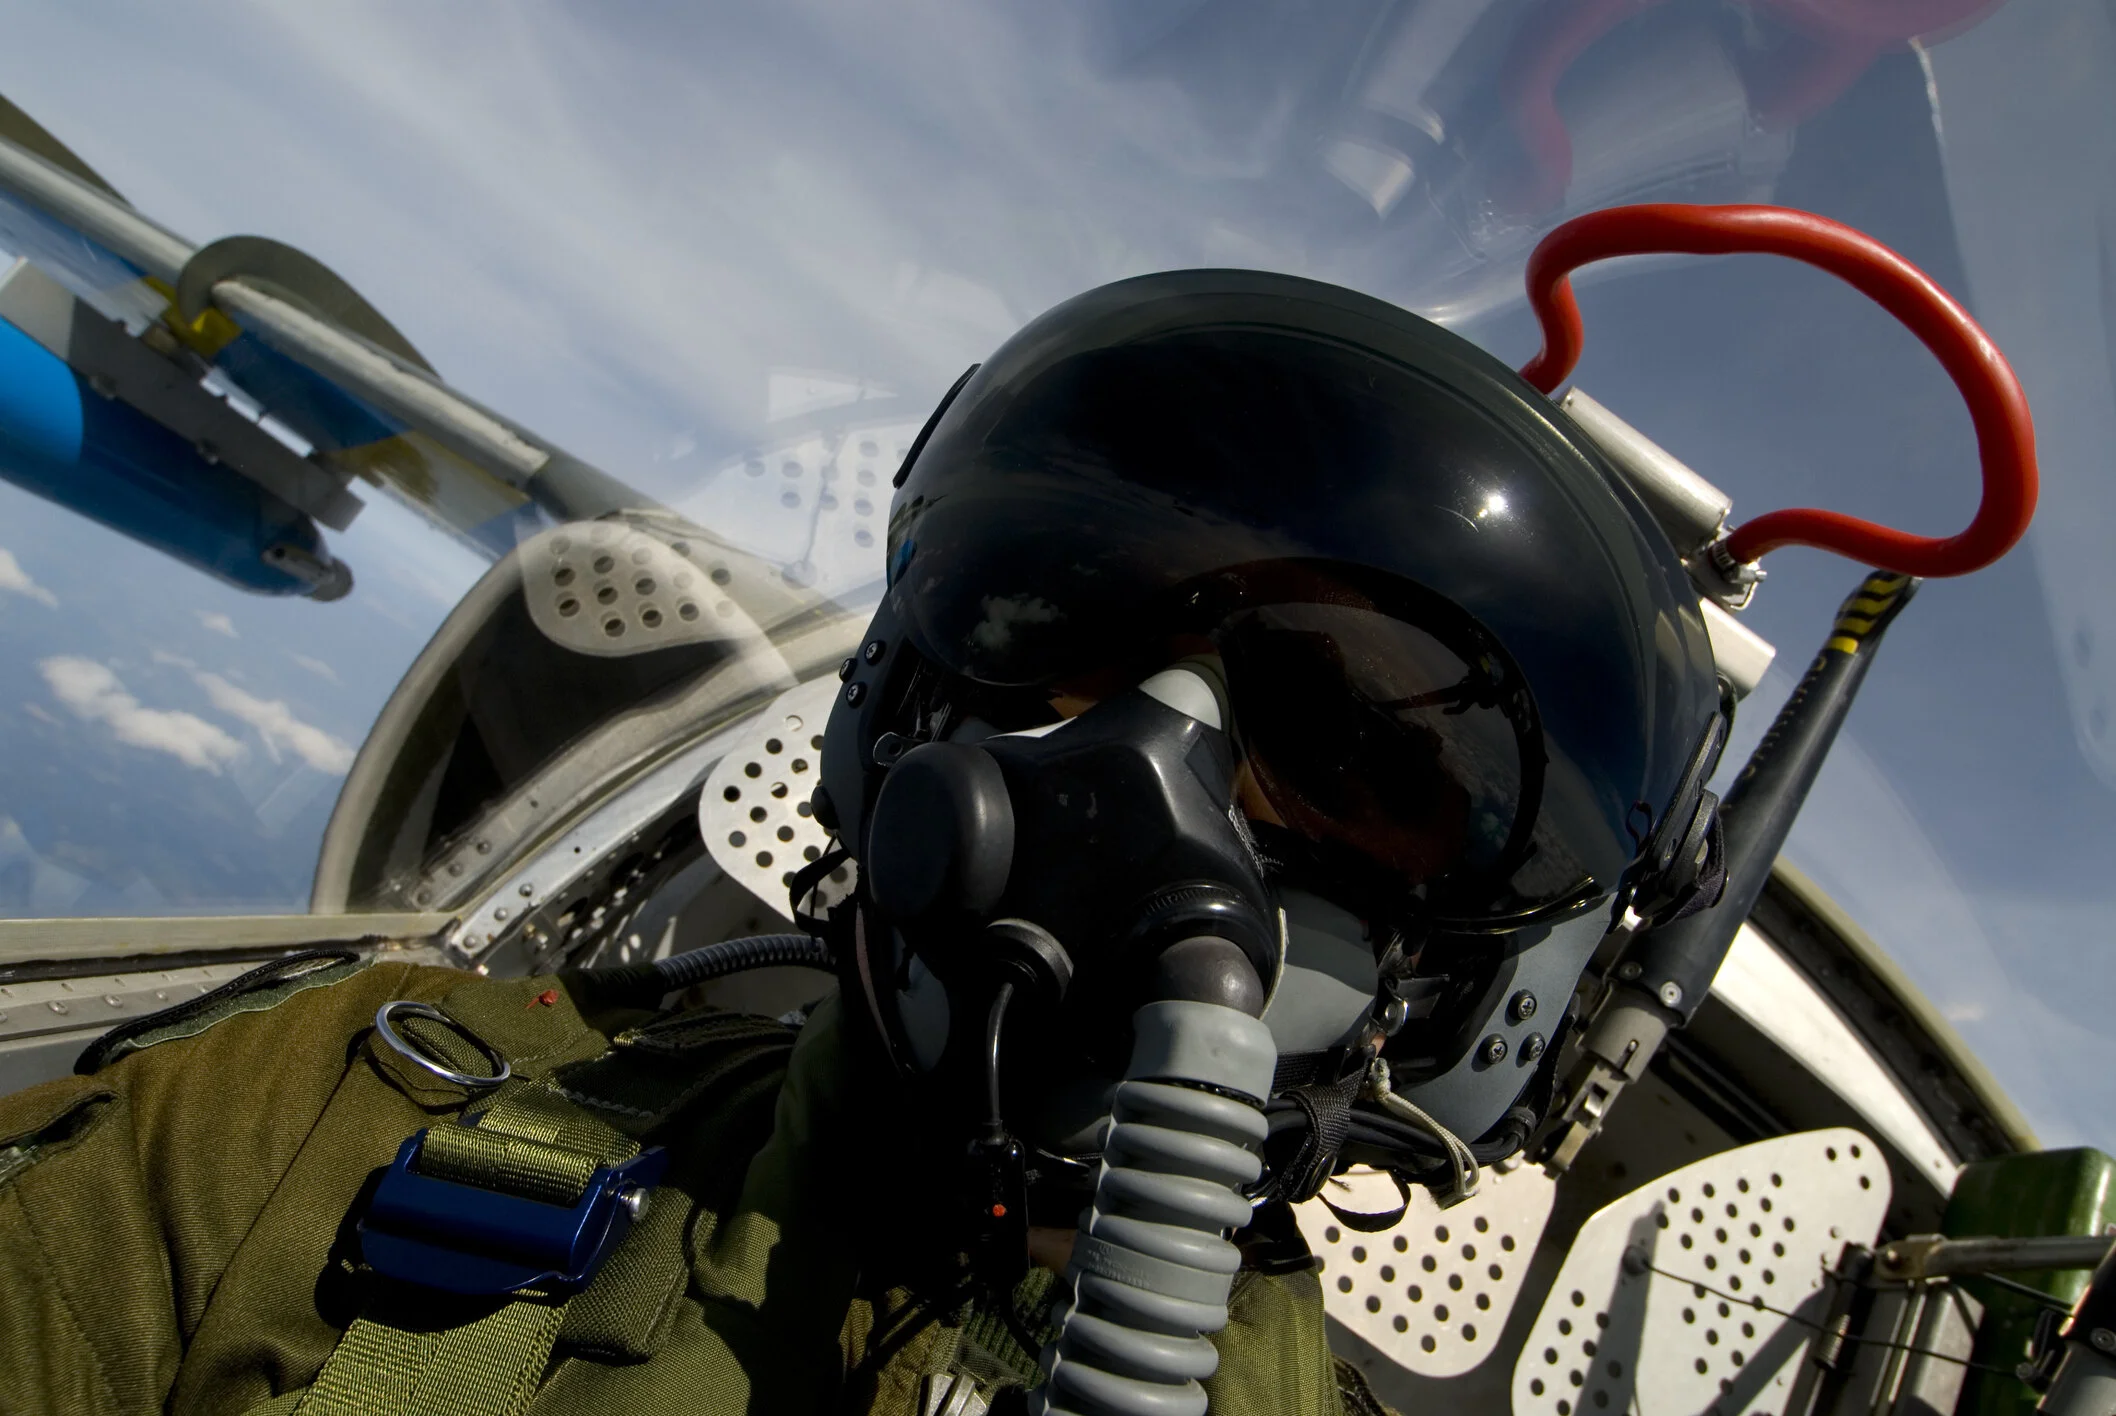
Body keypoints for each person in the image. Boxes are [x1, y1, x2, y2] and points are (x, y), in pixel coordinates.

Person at [0, 268, 1725, 1416]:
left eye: (1348, 749)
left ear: (1485, 990)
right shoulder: (314, 1142)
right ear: (900, 691)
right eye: (1067, 609)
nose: (1145, 762)